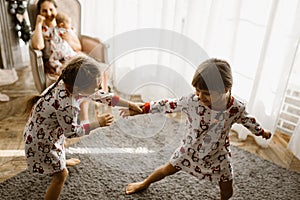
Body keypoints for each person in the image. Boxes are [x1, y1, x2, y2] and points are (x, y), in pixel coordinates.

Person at [121, 58, 272, 200]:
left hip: (218, 155)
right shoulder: (192, 101)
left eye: (206, 94)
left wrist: (261, 132)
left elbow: (248, 120)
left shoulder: (236, 108)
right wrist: (141, 109)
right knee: (166, 170)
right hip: (189, 150)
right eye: (197, 91)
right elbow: (166, 104)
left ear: (225, 89)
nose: (200, 96)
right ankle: (145, 183)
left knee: (227, 188)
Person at [23, 55, 143, 200]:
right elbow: (72, 132)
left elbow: (102, 96)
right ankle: (58, 168)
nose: (99, 88)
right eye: (96, 85)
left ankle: (60, 161)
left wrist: (129, 104)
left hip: (40, 131)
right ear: (79, 88)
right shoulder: (68, 105)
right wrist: (97, 123)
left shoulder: (66, 82)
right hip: (41, 143)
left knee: (59, 153)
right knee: (62, 175)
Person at [31, 0, 82, 86]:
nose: (48, 13)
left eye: (51, 9)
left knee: (92, 69)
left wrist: (69, 40)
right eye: (44, 10)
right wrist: (38, 24)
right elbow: (38, 46)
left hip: (70, 57)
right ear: (39, 13)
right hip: (55, 62)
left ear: (56, 10)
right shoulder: (41, 31)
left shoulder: (64, 26)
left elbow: (79, 47)